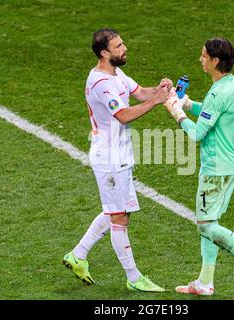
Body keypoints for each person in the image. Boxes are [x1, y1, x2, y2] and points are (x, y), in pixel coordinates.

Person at [163, 37, 234, 299]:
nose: (200, 59)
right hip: (230, 164)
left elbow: (198, 133)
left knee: (206, 226)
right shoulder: (232, 85)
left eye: (203, 56)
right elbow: (214, 113)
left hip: (215, 169)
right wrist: (189, 105)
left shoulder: (217, 92)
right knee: (210, 221)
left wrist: (177, 113)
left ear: (215, 61)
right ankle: (205, 281)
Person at [63, 28, 171, 292]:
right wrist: (157, 102)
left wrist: (160, 89)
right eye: (119, 46)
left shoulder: (116, 73)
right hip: (109, 158)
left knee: (116, 210)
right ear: (104, 53)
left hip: (119, 155)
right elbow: (122, 115)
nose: (125, 48)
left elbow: (141, 92)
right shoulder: (100, 84)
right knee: (120, 217)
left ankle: (78, 255)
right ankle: (134, 279)